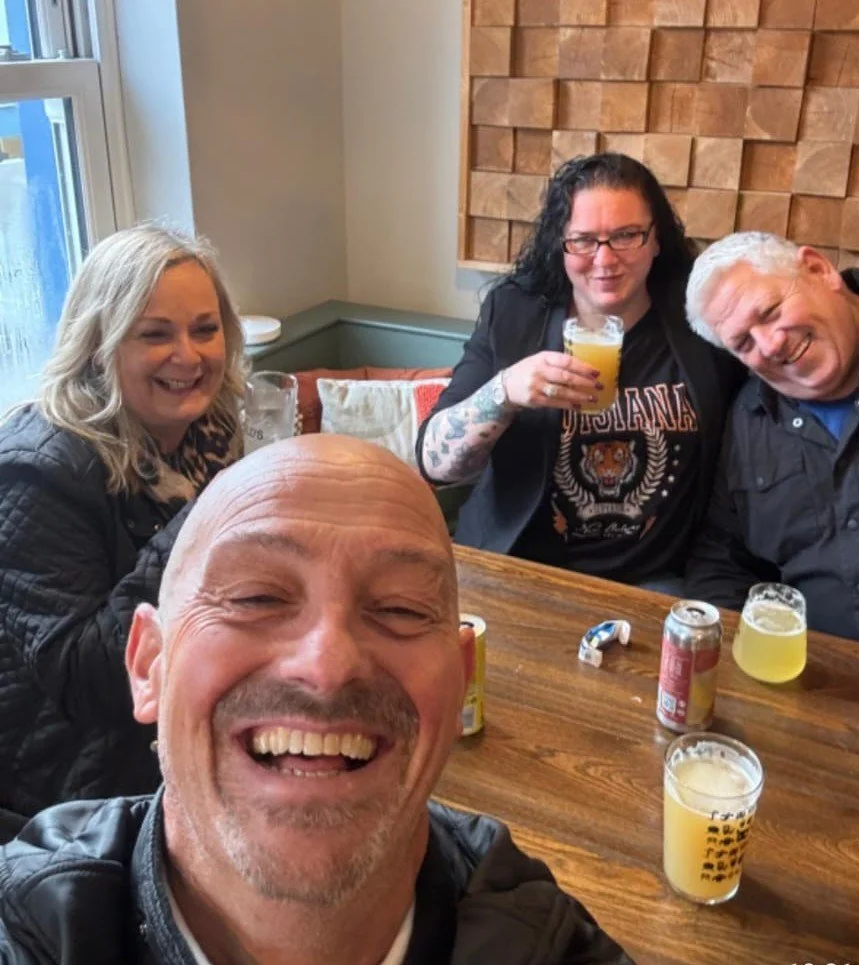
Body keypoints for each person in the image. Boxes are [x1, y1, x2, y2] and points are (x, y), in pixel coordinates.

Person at [0, 436, 632, 965]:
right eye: (256, 597)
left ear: (460, 678)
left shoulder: (534, 934)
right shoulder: (35, 927)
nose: (328, 666)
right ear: (147, 667)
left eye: (401, 609)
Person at [0, 224, 246, 839]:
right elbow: (88, 679)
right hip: (76, 793)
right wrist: (208, 514)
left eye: (205, 329)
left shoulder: (207, 435)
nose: (189, 356)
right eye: (154, 334)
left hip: (186, 732)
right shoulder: (37, 470)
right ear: (97, 345)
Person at [416, 153, 741, 592]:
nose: (605, 260)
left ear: (657, 239)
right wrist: (505, 391)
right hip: (518, 564)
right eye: (584, 240)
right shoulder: (514, 312)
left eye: (627, 236)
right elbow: (435, 465)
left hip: (653, 580)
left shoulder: (700, 320)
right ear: (561, 245)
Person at [684, 231, 859, 642]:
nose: (769, 345)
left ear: (818, 270)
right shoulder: (750, 420)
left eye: (770, 310)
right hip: (817, 681)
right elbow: (721, 561)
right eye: (742, 342)